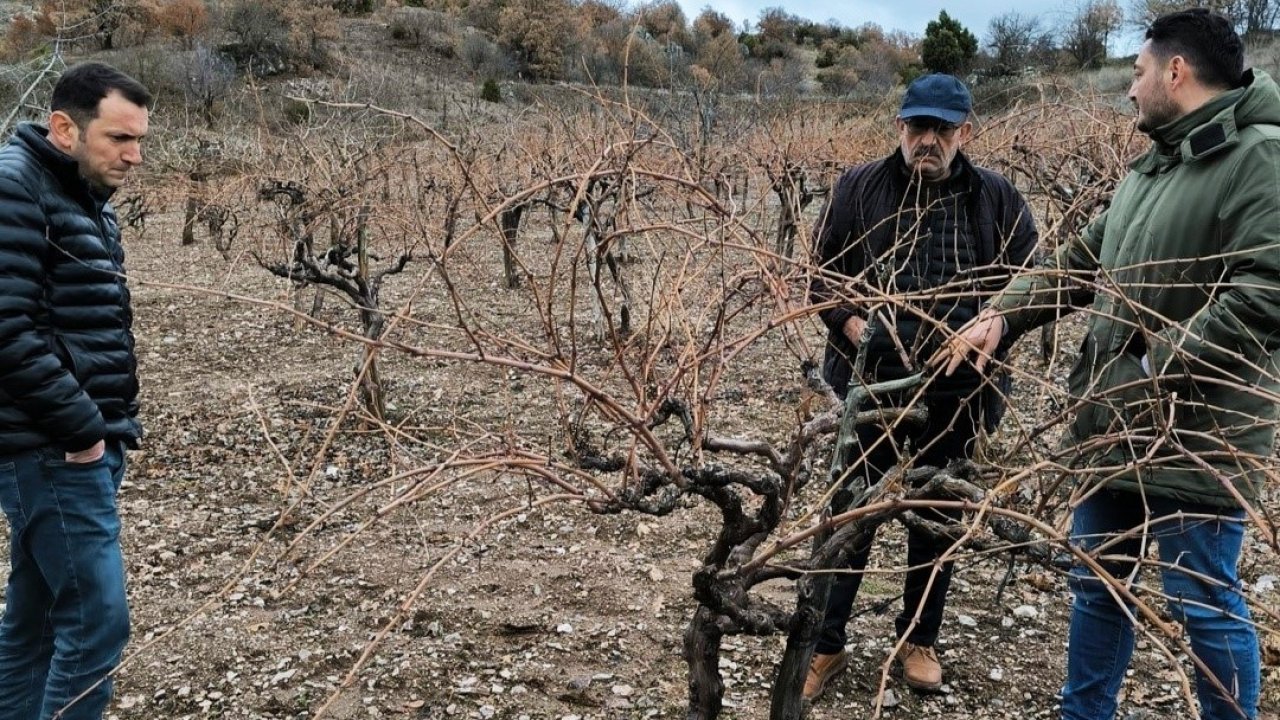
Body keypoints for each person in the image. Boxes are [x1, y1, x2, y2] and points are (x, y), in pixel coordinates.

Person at [933, 10, 1270, 720]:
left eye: (1138, 71)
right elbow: (1083, 259)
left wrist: (1152, 367)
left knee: (1202, 604)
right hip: (1114, 424)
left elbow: (1265, 296)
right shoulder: (1159, 160)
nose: (1129, 89)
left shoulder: (1259, 158)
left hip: (1194, 435)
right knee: (1097, 581)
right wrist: (1004, 314)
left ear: (1175, 72)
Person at [805, 73, 1038, 701]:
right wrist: (851, 324)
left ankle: (919, 638)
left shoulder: (998, 199)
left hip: (958, 395)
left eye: (941, 128)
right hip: (867, 387)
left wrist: (998, 322)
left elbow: (1028, 285)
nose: (927, 140)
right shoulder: (858, 188)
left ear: (966, 131)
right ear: (899, 128)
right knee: (850, 516)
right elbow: (820, 277)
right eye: (917, 127)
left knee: (937, 518)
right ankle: (825, 646)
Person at [0, 62, 150, 719]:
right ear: (64, 127)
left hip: (72, 444)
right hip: (51, 448)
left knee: (34, 624)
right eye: (119, 138)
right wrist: (85, 427)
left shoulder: (77, 194)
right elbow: (4, 329)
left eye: (140, 139)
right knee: (95, 624)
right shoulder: (15, 187)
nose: (134, 155)